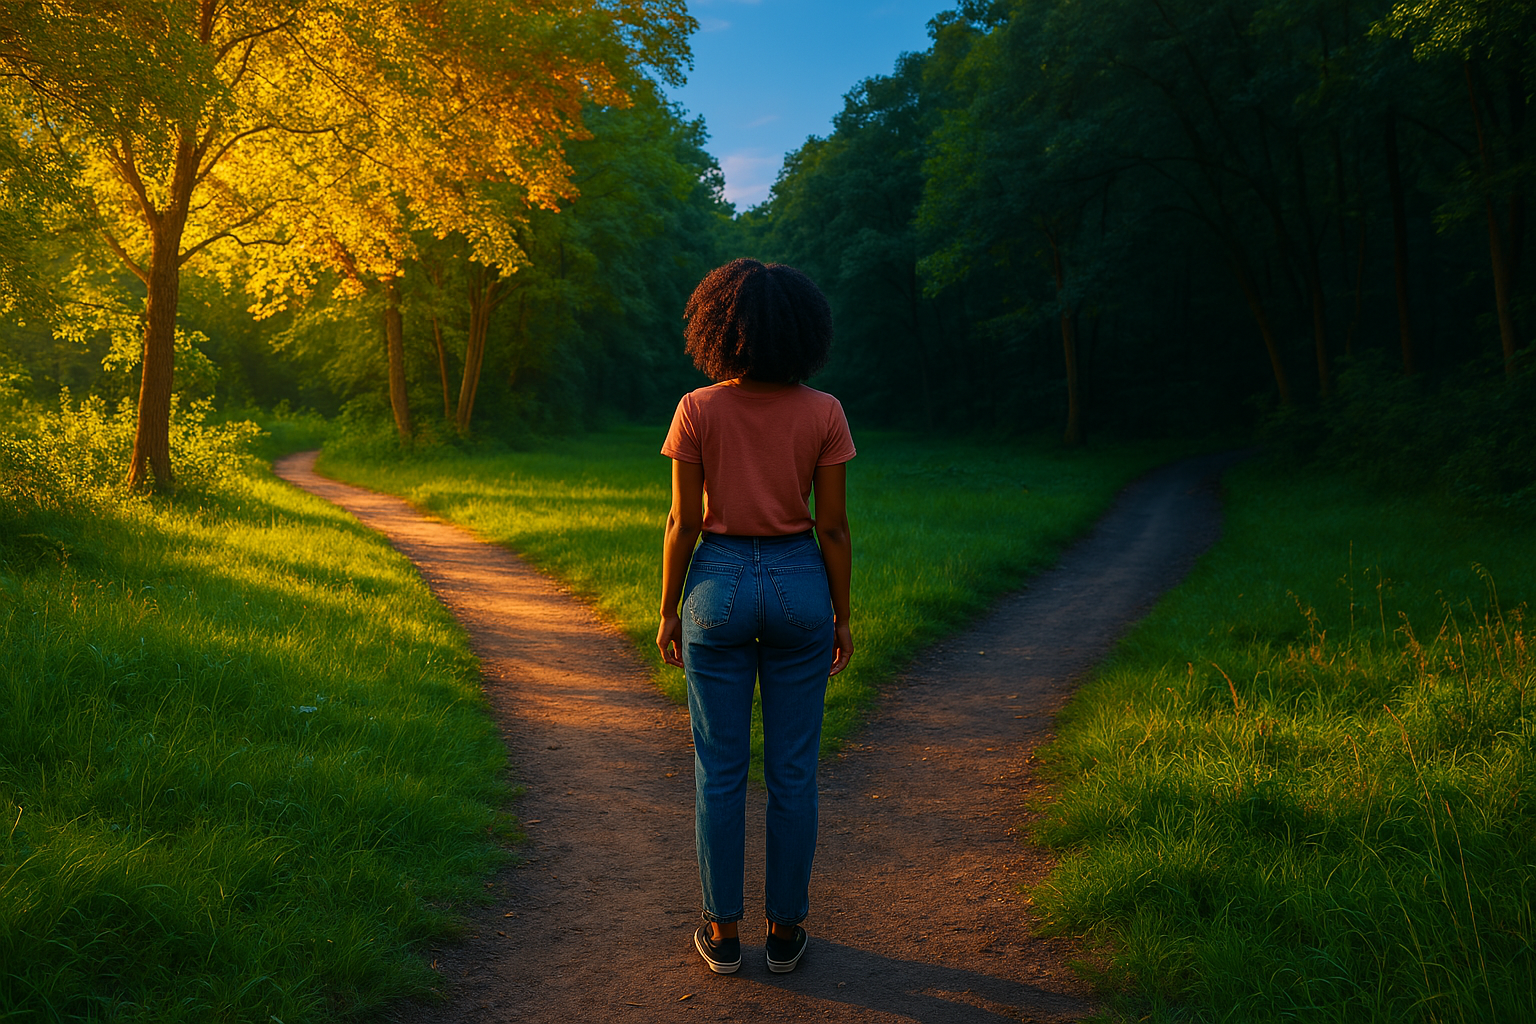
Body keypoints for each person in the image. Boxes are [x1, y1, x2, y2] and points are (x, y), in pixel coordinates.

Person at [657, 258, 855, 976]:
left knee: (720, 771)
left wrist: (669, 608)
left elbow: (683, 519)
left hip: (717, 585)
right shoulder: (824, 411)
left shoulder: (697, 408)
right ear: (806, 330)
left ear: (720, 327)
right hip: (801, 581)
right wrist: (841, 614)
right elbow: (832, 527)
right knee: (794, 773)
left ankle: (723, 932)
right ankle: (784, 933)